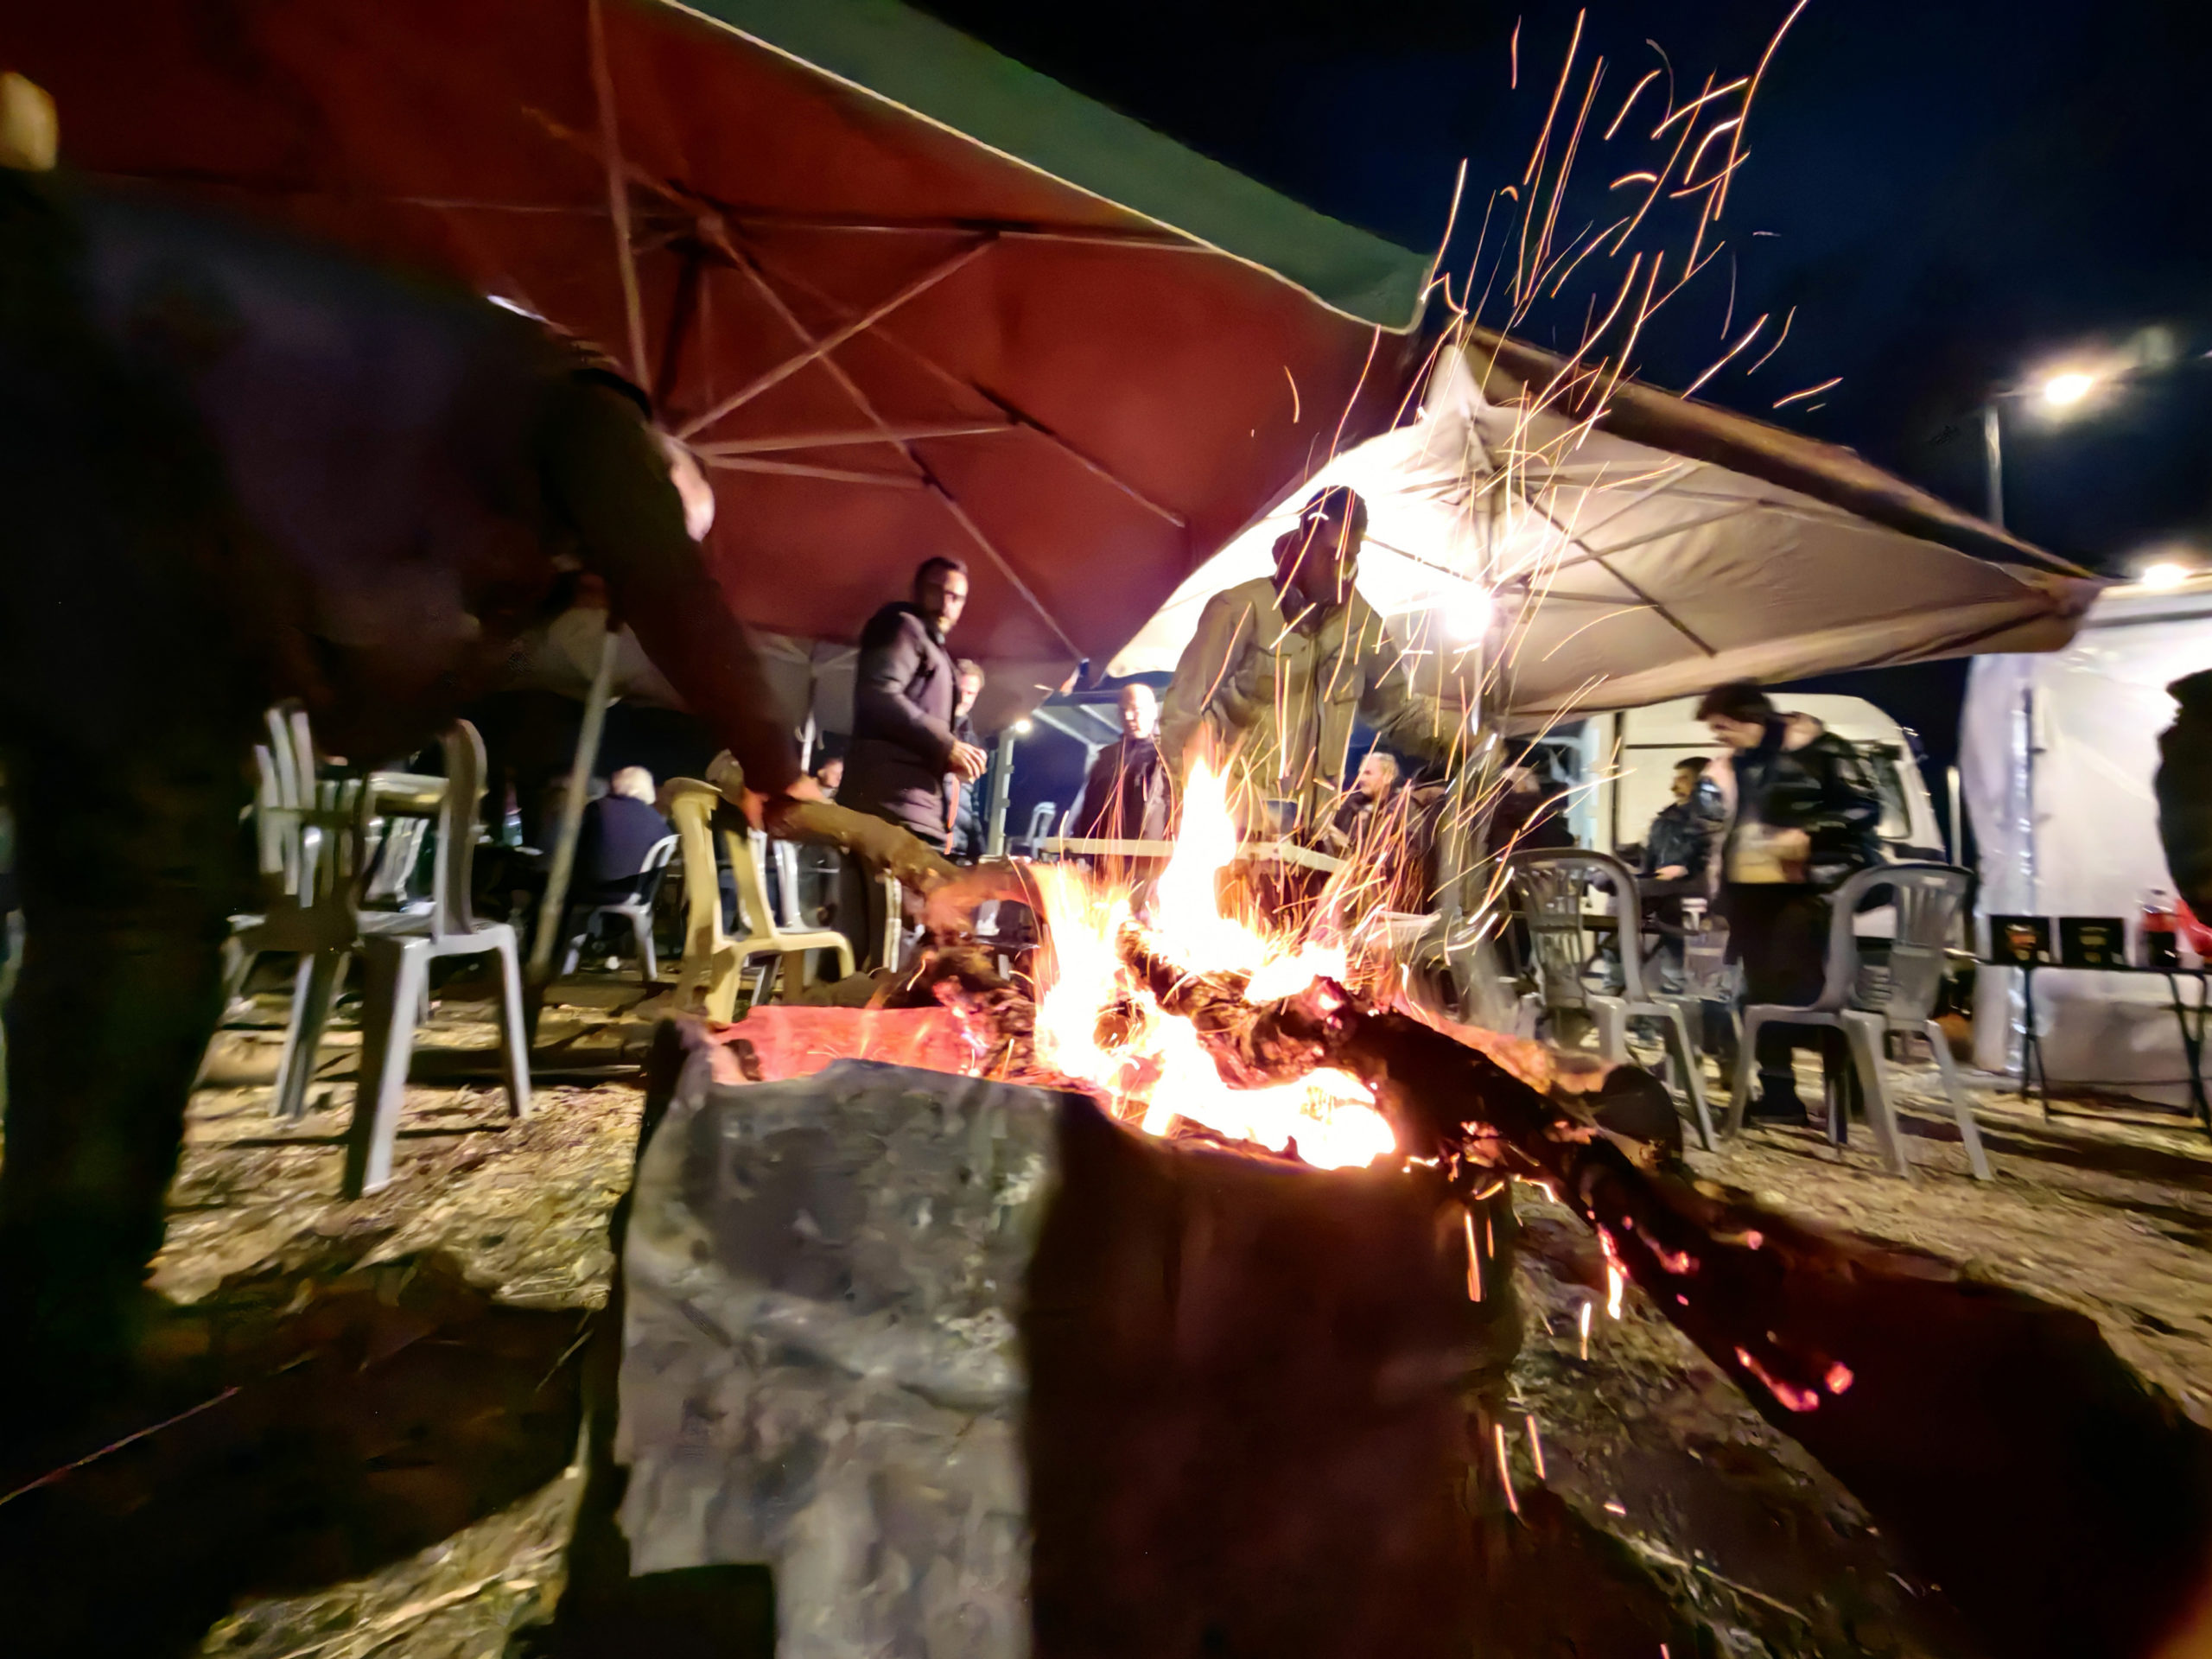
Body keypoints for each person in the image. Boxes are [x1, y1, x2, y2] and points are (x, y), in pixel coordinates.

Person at [0, 140, 958, 1420]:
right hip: (106, 498)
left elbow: (372, 671)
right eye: (622, 530)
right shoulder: (579, 406)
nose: (592, 563)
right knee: (137, 922)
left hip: (96, 492)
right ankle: (67, 1330)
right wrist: (775, 762)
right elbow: (676, 592)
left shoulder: (442, 436)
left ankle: (58, 1299)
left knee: (108, 919)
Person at [1159, 486, 1450, 829]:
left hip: (1312, 839)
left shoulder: (1363, 628)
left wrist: (1462, 740)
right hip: (1230, 836)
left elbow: (1398, 712)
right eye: (1331, 554)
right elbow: (1181, 719)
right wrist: (1231, 804)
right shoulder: (1240, 610)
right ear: (1305, 538)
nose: (1341, 570)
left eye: (1350, 557)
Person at [1698, 681, 1882, 1122]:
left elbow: (1867, 806)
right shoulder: (1744, 763)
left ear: (1752, 718)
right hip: (1756, 892)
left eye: (1724, 727)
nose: (1719, 736)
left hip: (1814, 888)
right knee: (1756, 993)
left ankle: (1843, 1091)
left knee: (1808, 990)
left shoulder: (1825, 749)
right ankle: (1781, 1095)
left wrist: (1811, 832)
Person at [838, 557, 988, 963]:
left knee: (887, 942)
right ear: (917, 590)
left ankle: (863, 1018)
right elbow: (880, 693)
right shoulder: (903, 626)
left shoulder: (932, 647)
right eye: (938, 590)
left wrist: (945, 755)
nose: (946, 602)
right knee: (884, 944)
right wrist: (945, 746)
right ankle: (864, 1020)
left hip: (904, 812)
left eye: (956, 596)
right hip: (889, 812)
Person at [1074, 683, 1173, 883]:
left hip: (1154, 870)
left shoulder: (1170, 760)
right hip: (1105, 869)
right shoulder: (1107, 758)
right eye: (1123, 710)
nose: (1128, 717)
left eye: (1135, 710)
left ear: (1154, 711)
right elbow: (1088, 811)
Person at [572, 766, 670, 906]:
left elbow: (575, 847)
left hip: (593, 890)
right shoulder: (658, 821)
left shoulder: (597, 807)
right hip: (636, 895)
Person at [1642, 757, 1725, 882]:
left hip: (1697, 890)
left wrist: (1685, 870)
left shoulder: (1713, 820)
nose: (1674, 786)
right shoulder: (1661, 823)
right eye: (1676, 780)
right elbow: (1648, 863)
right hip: (1660, 890)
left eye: (1683, 779)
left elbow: (1712, 859)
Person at [946, 658, 988, 861]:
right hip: (927, 841)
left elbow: (971, 800)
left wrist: (978, 849)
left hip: (957, 846)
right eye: (960, 690)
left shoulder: (971, 739)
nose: (964, 698)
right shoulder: (928, 727)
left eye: (970, 693)